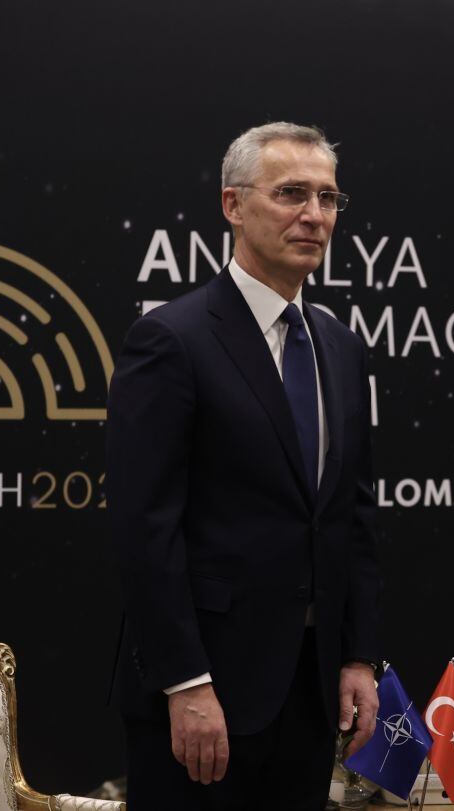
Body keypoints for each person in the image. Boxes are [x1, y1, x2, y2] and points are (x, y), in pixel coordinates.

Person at [106, 122, 380, 809]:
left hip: (312, 693)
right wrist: (186, 682)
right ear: (232, 204)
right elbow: (146, 529)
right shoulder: (170, 339)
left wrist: (356, 655)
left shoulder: (342, 347)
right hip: (205, 694)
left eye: (327, 197)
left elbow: (352, 517)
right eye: (291, 193)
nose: (314, 215)